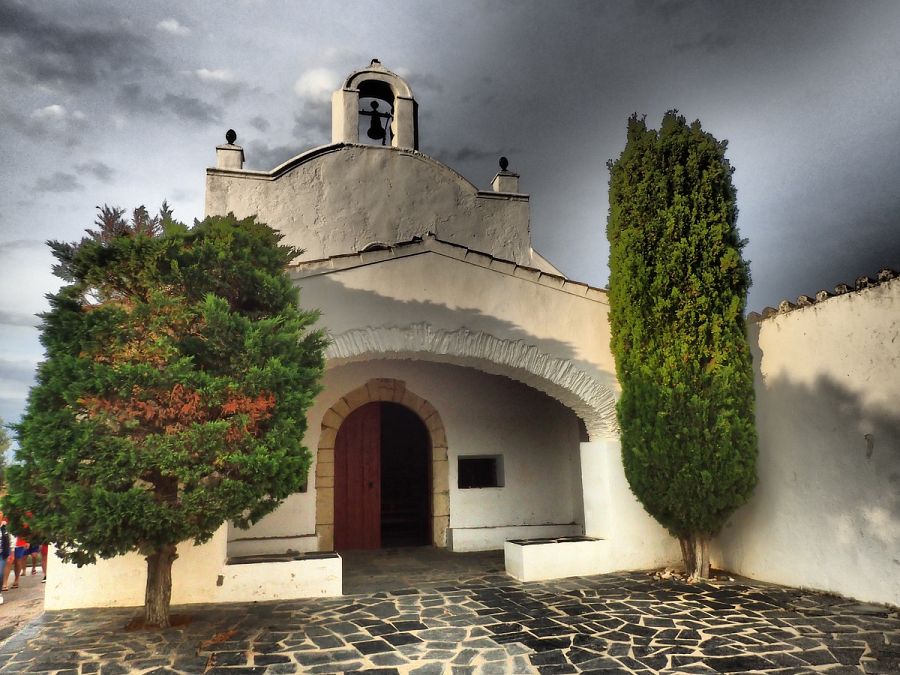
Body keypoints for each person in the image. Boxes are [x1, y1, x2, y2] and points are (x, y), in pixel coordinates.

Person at [0, 512, 9, 604]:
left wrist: (10, 552)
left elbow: (9, 540)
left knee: (0, 574)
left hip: (1, 555)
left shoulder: (5, 527)